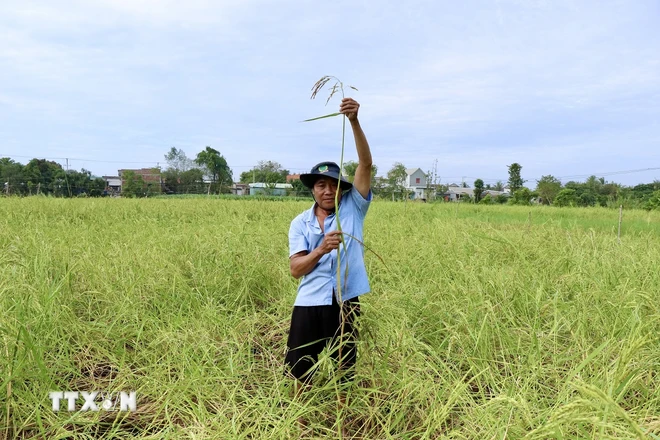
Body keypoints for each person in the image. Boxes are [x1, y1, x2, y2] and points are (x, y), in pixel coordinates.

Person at [284, 97, 373, 407]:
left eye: (333, 184)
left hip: (345, 301)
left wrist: (354, 121)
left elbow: (365, 164)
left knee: (345, 370)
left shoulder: (353, 208)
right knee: (299, 371)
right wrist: (321, 249)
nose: (327, 190)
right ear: (312, 188)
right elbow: (296, 269)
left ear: (341, 188)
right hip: (310, 303)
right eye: (320, 184)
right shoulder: (300, 223)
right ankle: (301, 421)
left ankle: (343, 419)